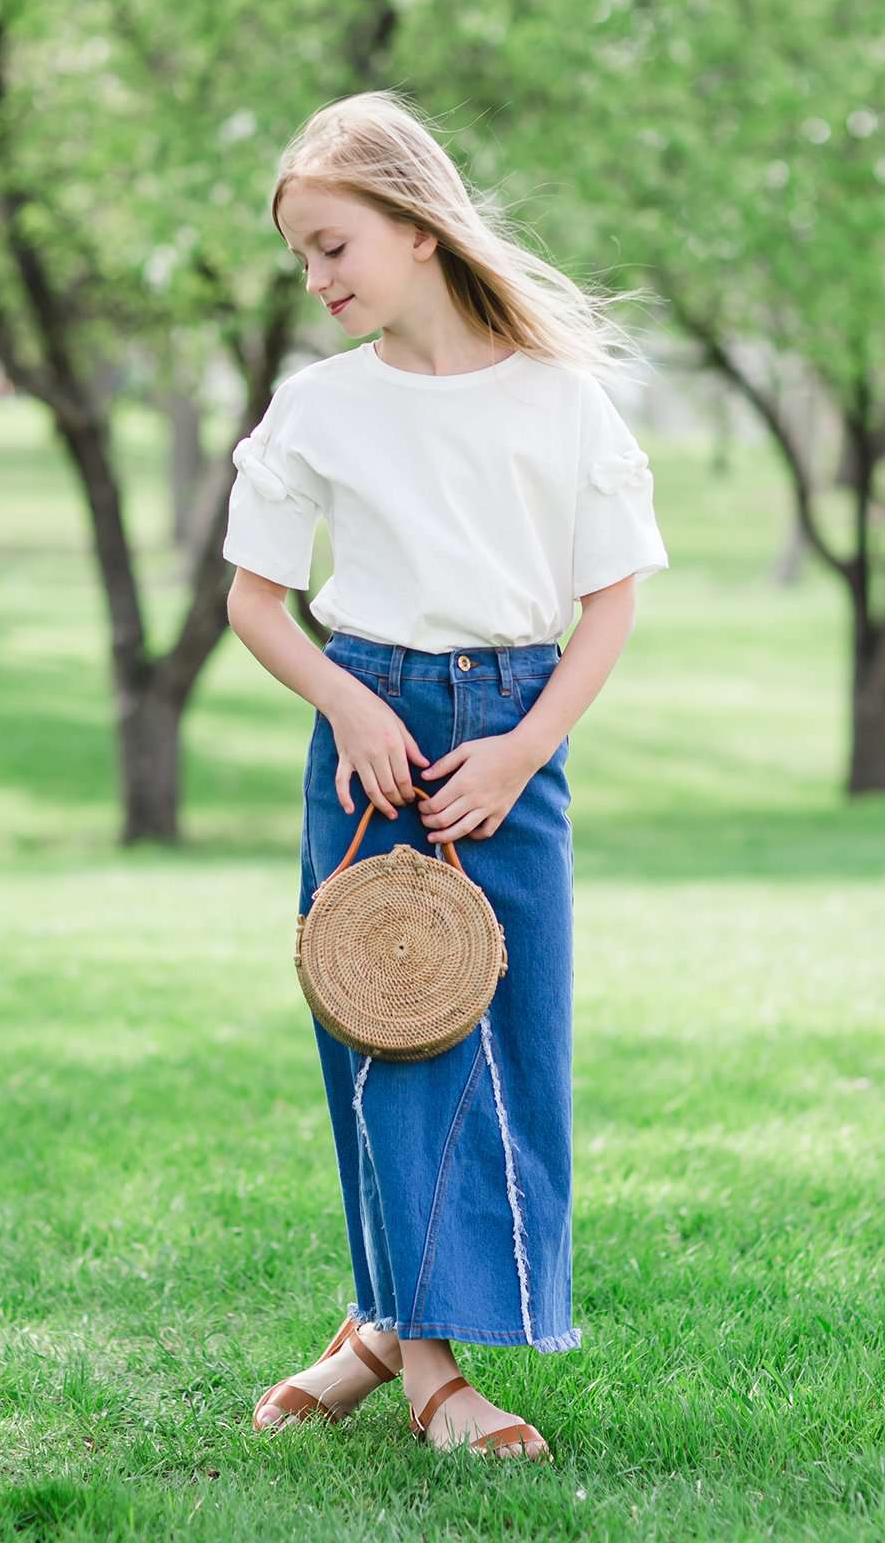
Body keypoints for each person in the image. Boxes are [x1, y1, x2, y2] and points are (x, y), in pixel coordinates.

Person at [224, 89, 669, 1461]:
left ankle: (378, 1333)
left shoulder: (561, 400)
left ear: (416, 228)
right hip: (373, 733)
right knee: (384, 1034)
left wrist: (528, 746)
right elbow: (254, 602)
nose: (317, 277)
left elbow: (609, 602)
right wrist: (351, 706)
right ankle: (432, 1375)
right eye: (302, 253)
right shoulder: (319, 408)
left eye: (334, 242)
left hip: (508, 743)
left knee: (500, 1042)